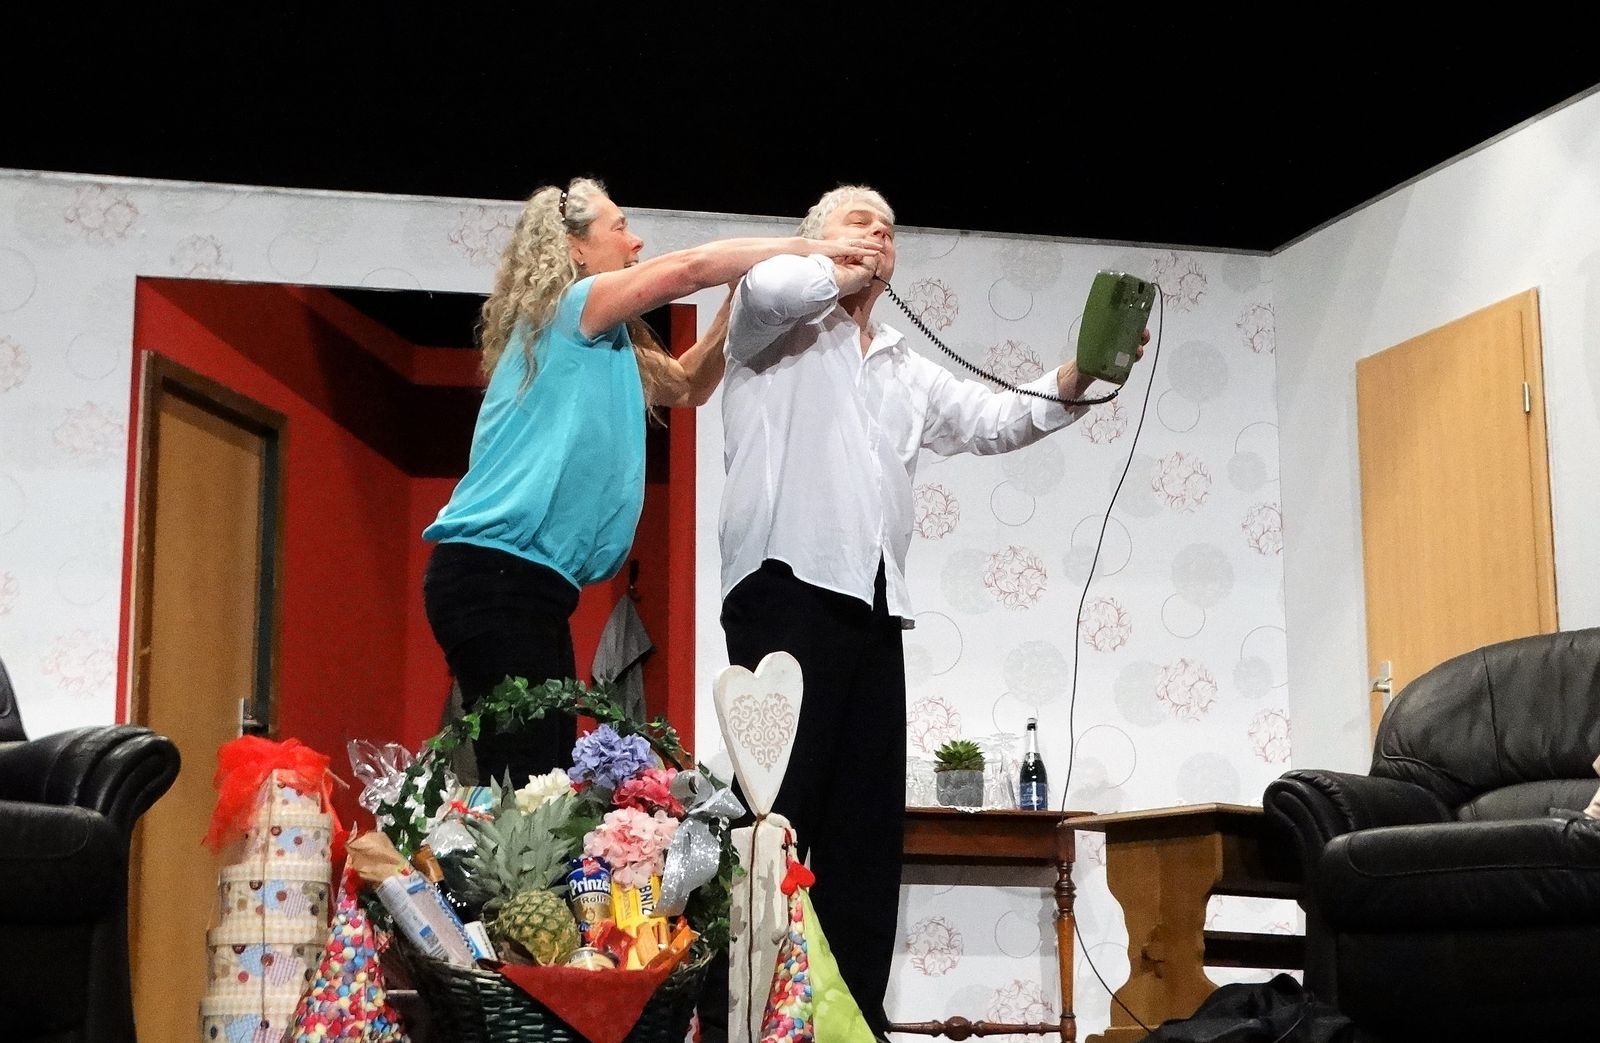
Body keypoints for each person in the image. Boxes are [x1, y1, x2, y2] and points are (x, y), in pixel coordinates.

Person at [714, 185, 1147, 1037]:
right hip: (784, 586)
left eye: (889, 230)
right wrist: (831, 264)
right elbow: (769, 282)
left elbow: (995, 419)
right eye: (858, 224)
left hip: (876, 607)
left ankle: (853, 1021)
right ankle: (749, 1015)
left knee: (865, 833)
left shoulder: (903, 365)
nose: (879, 236)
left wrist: (1085, 371)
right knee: (776, 817)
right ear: (812, 240)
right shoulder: (769, 324)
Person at [421, 177, 882, 787]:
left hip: (529, 586)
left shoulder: (605, 343)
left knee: (543, 779)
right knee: (528, 779)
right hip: (494, 574)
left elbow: (689, 385)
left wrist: (737, 301)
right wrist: (813, 249)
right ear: (575, 247)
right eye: (619, 228)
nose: (635, 242)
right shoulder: (573, 309)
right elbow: (689, 269)